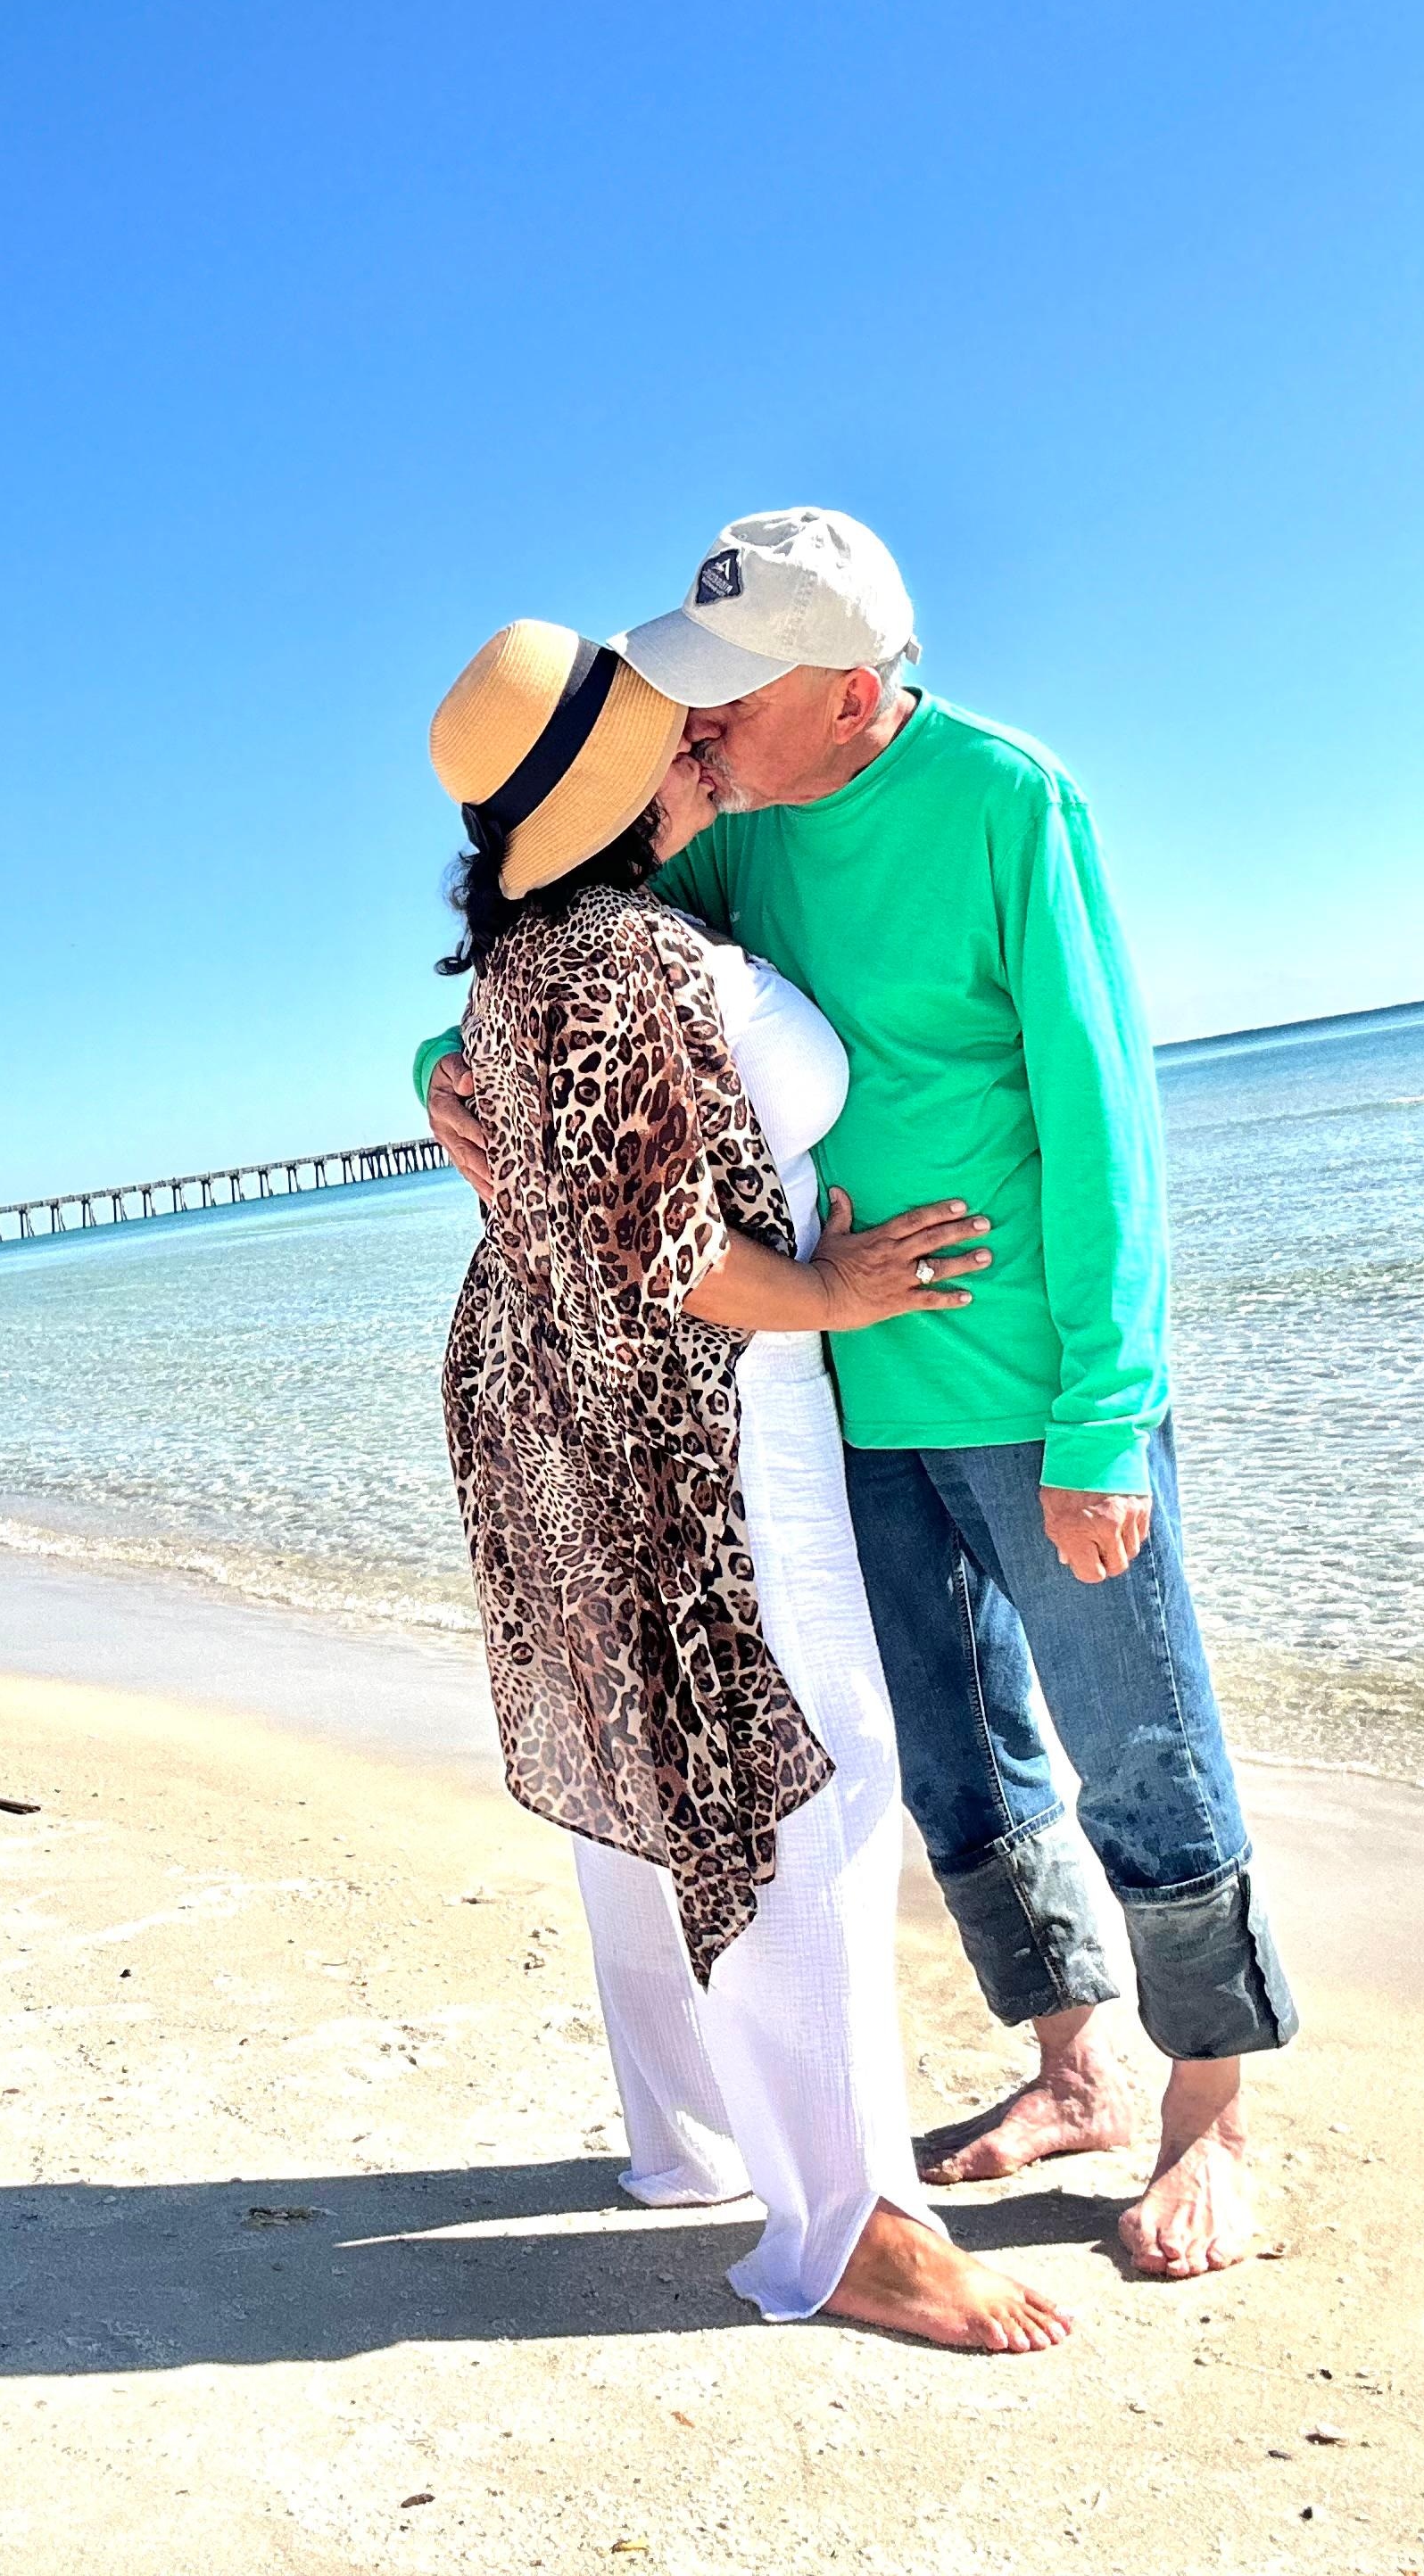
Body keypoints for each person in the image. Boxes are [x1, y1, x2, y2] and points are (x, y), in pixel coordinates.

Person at [419, 514, 1297, 2282]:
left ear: (843, 688)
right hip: (840, 1396)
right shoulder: (732, 821)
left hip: (1029, 1373)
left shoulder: (1007, 799)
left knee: (1140, 1737)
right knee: (958, 1753)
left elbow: (1105, 1113)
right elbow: (562, 976)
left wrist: (1106, 1410)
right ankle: (1074, 2063)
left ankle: (1213, 2109)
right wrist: (438, 1066)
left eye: (726, 699)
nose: (696, 728)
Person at [426, 615, 1071, 2353]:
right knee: (809, 1791)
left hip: (570, 1415)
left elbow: (590, 1189)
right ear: (610, 786)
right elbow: (671, 1252)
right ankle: (854, 2226)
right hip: (695, 1430)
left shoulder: (537, 955)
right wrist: (837, 1291)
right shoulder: (623, 958)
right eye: (666, 727)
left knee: (654, 1795)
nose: (698, 733)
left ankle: (692, 2139)